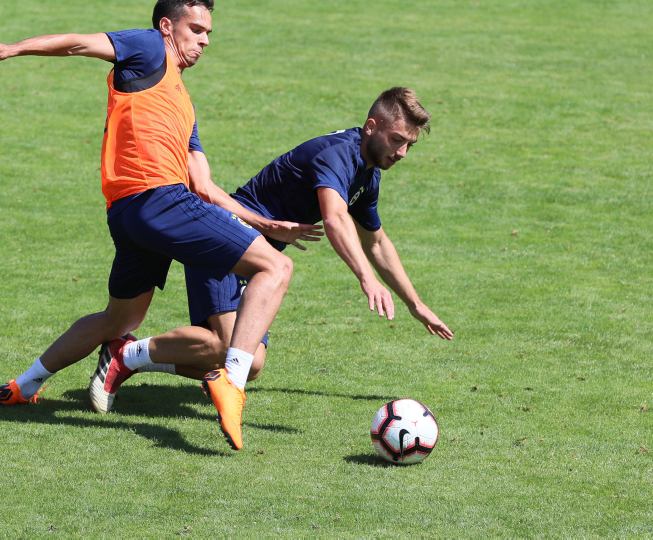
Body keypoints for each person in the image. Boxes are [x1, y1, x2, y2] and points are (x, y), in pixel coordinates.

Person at [0, 0, 321, 450]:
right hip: (160, 200)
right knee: (276, 267)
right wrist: (15, 48)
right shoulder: (149, 47)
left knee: (119, 318)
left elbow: (205, 187)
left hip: (128, 214)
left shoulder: (184, 106)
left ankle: (23, 385)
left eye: (209, 33)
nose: (205, 40)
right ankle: (232, 381)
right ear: (167, 26)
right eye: (196, 29)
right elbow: (79, 43)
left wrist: (265, 224)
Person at [89, 87, 453, 413]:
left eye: (410, 145)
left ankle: (128, 356)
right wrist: (366, 279)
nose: (402, 152)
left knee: (251, 363)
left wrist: (415, 304)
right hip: (226, 242)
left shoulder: (367, 174)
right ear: (371, 127)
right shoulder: (339, 155)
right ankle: (124, 354)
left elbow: (377, 242)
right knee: (227, 347)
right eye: (397, 140)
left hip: (254, 259)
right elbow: (334, 218)